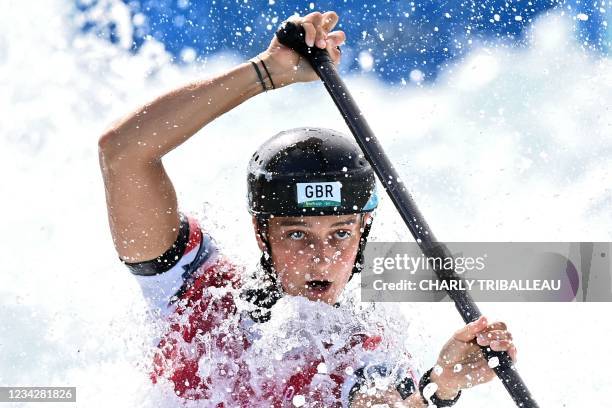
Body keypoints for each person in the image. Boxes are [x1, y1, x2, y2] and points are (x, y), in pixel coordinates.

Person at [98, 11, 518, 407]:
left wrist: (439, 386)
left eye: (340, 234)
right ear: (261, 233)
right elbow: (123, 153)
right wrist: (265, 73)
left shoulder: (364, 350)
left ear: (363, 232)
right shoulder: (194, 291)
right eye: (297, 234)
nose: (322, 258)